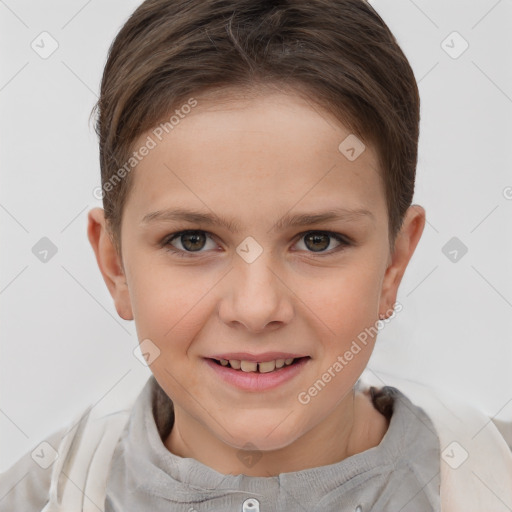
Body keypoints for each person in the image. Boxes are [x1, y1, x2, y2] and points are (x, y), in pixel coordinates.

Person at [1, 1, 511, 511]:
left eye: (318, 240)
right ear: (116, 266)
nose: (256, 307)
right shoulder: (33, 497)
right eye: (192, 240)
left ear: (393, 264)